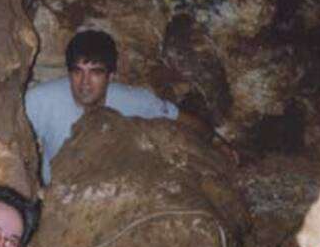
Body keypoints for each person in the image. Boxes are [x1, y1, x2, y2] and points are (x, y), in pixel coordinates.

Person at [25, 29, 214, 184]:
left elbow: (184, 121)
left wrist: (216, 143)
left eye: (95, 73)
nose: (85, 83)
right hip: (57, 196)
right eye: (77, 72)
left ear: (111, 76)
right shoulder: (40, 100)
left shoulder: (133, 100)